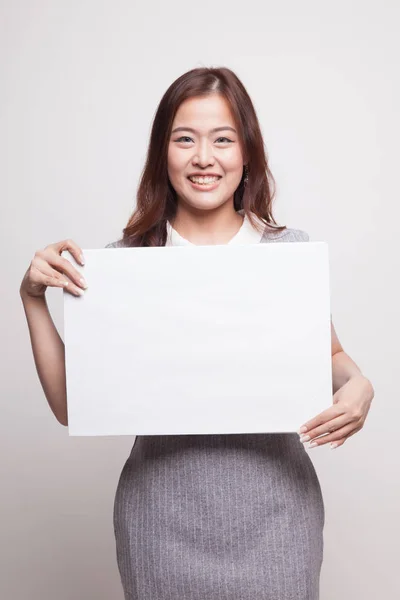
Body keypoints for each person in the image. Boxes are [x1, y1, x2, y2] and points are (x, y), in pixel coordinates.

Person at [20, 66, 375, 600]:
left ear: (247, 152)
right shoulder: (124, 265)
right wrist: (32, 299)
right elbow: (74, 405)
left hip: (277, 515)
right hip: (160, 520)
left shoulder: (287, 253)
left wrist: (360, 385)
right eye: (184, 139)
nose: (203, 157)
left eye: (223, 140)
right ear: (162, 153)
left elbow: (332, 357)